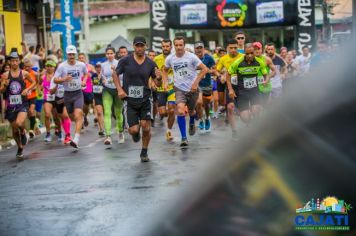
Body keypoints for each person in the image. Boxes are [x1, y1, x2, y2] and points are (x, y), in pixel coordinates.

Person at [114, 36, 160, 162]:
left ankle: (144, 151)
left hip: (145, 99)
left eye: (142, 45)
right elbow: (115, 74)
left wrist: (159, 78)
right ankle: (135, 134)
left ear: (146, 46)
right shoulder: (125, 61)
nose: (139, 48)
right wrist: (119, 89)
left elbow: (157, 83)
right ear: (133, 46)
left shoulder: (151, 63)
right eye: (137, 45)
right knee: (133, 130)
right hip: (129, 101)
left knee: (146, 127)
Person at [163, 36, 208, 147]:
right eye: (176, 45)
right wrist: (165, 82)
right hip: (179, 89)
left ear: (184, 45)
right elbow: (164, 70)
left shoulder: (191, 57)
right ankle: (184, 138)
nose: (178, 47)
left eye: (180, 45)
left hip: (192, 89)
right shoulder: (170, 58)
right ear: (174, 46)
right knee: (181, 111)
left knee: (192, 111)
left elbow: (205, 69)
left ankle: (192, 121)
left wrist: (196, 83)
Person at [0, 52, 36, 159]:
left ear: (18, 61)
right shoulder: (5, 75)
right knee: (14, 130)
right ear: (9, 62)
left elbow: (34, 82)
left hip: (22, 103)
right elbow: (1, 90)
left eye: (16, 61)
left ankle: (23, 132)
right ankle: (20, 147)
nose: (15, 63)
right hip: (11, 105)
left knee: (20, 123)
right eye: (12, 61)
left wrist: (27, 89)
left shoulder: (24, 73)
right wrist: (5, 86)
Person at [53, 45, 88, 149]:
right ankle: (81, 118)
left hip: (78, 93)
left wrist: (84, 81)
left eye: (73, 54)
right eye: (69, 54)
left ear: (75, 54)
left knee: (77, 115)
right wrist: (64, 79)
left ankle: (76, 139)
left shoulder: (81, 65)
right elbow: (55, 80)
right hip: (67, 94)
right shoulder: (62, 66)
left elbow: (86, 74)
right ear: (66, 55)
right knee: (72, 117)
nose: (71, 56)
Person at [227, 44, 268, 131]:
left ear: (254, 52)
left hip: (254, 91)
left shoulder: (259, 61)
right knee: (245, 118)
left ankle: (256, 127)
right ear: (244, 53)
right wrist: (230, 89)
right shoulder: (238, 62)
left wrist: (266, 80)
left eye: (252, 53)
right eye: (247, 53)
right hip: (242, 92)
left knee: (256, 110)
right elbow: (228, 74)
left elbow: (265, 74)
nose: (249, 55)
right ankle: (249, 122)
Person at [101, 46, 125, 145]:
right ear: (106, 55)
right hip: (107, 90)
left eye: (111, 53)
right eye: (108, 53)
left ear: (115, 54)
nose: (110, 55)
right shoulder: (103, 65)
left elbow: (124, 77)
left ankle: (120, 132)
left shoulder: (119, 63)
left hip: (118, 90)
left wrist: (116, 71)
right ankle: (108, 136)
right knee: (107, 112)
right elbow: (102, 76)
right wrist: (103, 79)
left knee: (118, 112)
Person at [153, 39, 176, 141]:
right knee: (162, 113)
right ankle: (164, 114)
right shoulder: (156, 59)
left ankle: (169, 131)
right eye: (163, 46)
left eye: (167, 46)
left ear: (171, 47)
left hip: (173, 88)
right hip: (161, 89)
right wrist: (152, 82)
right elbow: (152, 73)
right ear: (161, 47)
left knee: (171, 110)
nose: (165, 48)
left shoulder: (175, 58)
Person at [216, 39, 244, 121]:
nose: (233, 50)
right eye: (231, 48)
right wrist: (220, 76)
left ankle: (239, 114)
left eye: (235, 48)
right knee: (226, 103)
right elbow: (217, 71)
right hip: (229, 83)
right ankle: (229, 114)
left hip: (241, 83)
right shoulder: (223, 58)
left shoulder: (243, 57)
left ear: (238, 47)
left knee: (240, 105)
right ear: (227, 48)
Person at [194, 41, 216, 132]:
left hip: (206, 84)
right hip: (196, 84)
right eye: (197, 48)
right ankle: (201, 120)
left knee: (206, 104)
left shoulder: (209, 58)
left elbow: (214, 70)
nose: (199, 50)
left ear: (203, 49)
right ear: (194, 49)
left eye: (200, 48)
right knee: (199, 103)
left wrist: (206, 71)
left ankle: (207, 118)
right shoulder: (192, 58)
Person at [42, 60, 63, 142]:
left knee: (56, 117)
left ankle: (60, 131)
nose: (49, 68)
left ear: (54, 68)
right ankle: (48, 133)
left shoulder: (57, 77)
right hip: (47, 99)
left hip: (56, 98)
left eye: (51, 66)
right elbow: (39, 83)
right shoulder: (42, 76)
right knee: (47, 115)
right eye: (47, 66)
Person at [253, 42, 276, 107]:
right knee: (256, 106)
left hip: (265, 86)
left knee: (265, 106)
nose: (257, 51)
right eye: (255, 49)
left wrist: (267, 78)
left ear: (262, 50)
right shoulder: (250, 59)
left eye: (259, 49)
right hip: (254, 87)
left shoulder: (267, 59)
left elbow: (274, 71)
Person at [23, 58, 39, 139]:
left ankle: (31, 130)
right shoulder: (22, 73)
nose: (26, 68)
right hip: (24, 96)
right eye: (25, 66)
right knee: (28, 114)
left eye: (28, 67)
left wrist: (34, 88)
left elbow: (37, 83)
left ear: (31, 66)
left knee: (31, 111)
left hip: (32, 96)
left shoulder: (35, 74)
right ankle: (35, 123)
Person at [78, 53, 94, 128]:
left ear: (85, 59)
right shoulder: (76, 67)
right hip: (78, 88)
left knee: (86, 105)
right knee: (79, 105)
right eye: (80, 58)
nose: (81, 59)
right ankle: (80, 121)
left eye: (82, 58)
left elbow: (95, 74)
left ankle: (85, 116)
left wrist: (92, 75)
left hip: (88, 88)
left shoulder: (90, 67)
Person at [92, 63, 105, 136]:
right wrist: (98, 78)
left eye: (99, 67)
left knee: (106, 113)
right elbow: (93, 83)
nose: (98, 68)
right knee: (99, 112)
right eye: (96, 67)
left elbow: (107, 83)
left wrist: (103, 79)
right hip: (97, 95)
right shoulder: (94, 75)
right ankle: (101, 129)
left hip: (105, 95)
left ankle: (106, 127)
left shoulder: (105, 74)